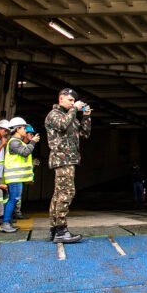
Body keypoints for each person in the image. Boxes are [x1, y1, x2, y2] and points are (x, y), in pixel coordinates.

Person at [45, 88, 91, 243]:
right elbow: (62, 126)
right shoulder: (54, 115)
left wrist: (86, 116)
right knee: (66, 193)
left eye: (74, 101)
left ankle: (55, 229)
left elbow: (85, 134)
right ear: (61, 99)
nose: (73, 103)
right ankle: (61, 230)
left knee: (59, 194)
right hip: (62, 159)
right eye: (70, 100)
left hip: (70, 159)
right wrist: (74, 109)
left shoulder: (70, 116)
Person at [2, 117, 39, 233]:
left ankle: (7, 222)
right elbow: (25, 152)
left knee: (14, 198)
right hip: (14, 177)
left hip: (17, 177)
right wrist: (33, 142)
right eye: (23, 128)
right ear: (17, 129)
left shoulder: (18, 142)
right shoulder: (14, 142)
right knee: (13, 199)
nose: (25, 130)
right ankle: (5, 223)